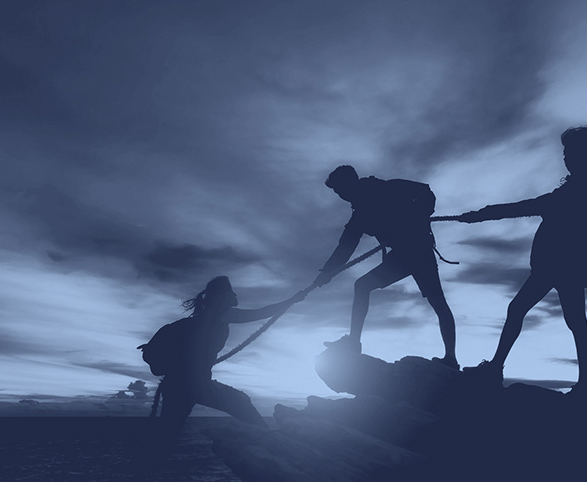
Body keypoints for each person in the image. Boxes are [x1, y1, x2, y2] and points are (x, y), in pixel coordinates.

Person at [457, 126, 587, 396]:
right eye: (565, 153)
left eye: (569, 152)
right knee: (567, 319)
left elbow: (527, 206)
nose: (565, 158)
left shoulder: (582, 190)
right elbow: (532, 206)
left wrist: (481, 215)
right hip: (562, 265)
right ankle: (580, 384)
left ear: (583, 155)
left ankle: (499, 369)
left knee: (532, 312)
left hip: (561, 265)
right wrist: (482, 214)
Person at [315, 165, 459, 369]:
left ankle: (451, 358)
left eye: (340, 190)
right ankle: (354, 342)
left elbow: (425, 192)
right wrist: (327, 272)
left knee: (438, 302)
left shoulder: (387, 189)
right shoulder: (360, 215)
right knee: (362, 286)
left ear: (349, 184)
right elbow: (345, 248)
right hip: (400, 257)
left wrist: (420, 215)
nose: (340, 196)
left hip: (418, 252)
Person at [155, 276, 303, 443]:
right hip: (194, 384)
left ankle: (145, 464)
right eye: (231, 291)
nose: (235, 295)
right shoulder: (221, 314)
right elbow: (260, 313)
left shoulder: (202, 317)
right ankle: (274, 444)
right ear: (222, 296)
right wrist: (292, 300)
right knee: (241, 402)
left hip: (176, 385)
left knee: (165, 436)